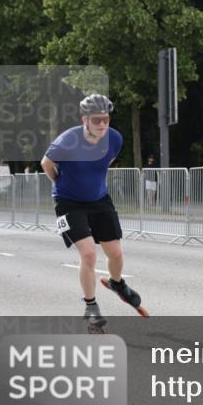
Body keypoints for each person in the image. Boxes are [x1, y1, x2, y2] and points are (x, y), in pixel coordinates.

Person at [40, 94, 147, 328]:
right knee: (88, 253)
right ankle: (90, 305)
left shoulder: (115, 139)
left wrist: (92, 183)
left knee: (116, 253)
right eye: (96, 120)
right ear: (85, 119)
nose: (102, 125)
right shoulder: (67, 140)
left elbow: (103, 164)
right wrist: (61, 183)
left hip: (98, 199)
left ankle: (117, 283)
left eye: (106, 119)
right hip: (68, 202)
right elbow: (46, 164)